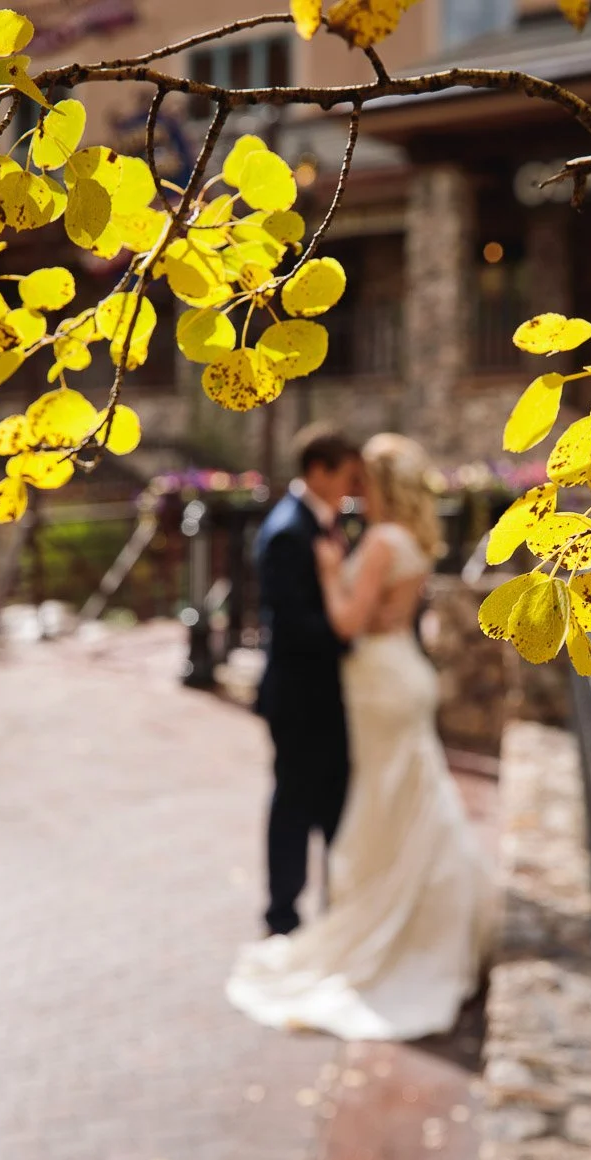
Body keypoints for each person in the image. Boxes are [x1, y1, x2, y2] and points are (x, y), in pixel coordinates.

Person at [227, 433, 497, 1041]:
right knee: (401, 799)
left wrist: (329, 575)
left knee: (385, 801)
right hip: (398, 675)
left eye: (362, 480)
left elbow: (347, 623)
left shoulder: (377, 541)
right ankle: (397, 916)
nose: (354, 490)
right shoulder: (414, 539)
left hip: (377, 683)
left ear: (378, 484)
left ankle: (382, 923)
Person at [253, 423, 365, 937]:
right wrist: (349, 636)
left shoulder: (319, 524)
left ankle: (333, 905)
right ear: (318, 471)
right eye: (346, 475)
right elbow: (293, 624)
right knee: (295, 803)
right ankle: (282, 915)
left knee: (330, 801)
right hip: (299, 697)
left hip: (324, 695)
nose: (352, 486)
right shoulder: (287, 532)